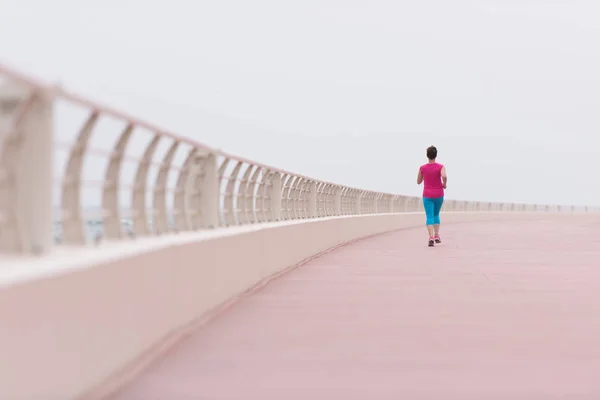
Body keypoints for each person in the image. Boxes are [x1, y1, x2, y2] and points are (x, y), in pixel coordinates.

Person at [417, 145, 447, 247]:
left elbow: (418, 182)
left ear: (427, 155)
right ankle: (437, 235)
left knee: (429, 216)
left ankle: (430, 237)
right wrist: (444, 183)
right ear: (436, 155)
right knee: (436, 214)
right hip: (439, 194)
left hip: (427, 195)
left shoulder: (422, 168)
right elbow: (444, 176)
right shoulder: (440, 167)